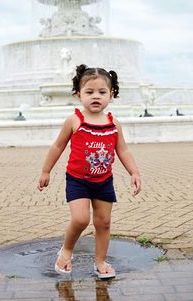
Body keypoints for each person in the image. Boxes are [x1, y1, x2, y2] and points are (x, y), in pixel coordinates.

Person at [37, 64, 141, 279]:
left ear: (111, 95)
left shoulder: (114, 124)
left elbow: (123, 150)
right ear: (78, 94)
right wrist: (46, 171)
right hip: (78, 180)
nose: (96, 97)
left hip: (103, 181)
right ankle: (66, 251)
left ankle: (100, 261)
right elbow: (57, 146)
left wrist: (134, 172)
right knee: (81, 219)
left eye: (102, 92)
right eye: (89, 92)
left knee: (103, 223)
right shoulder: (74, 120)